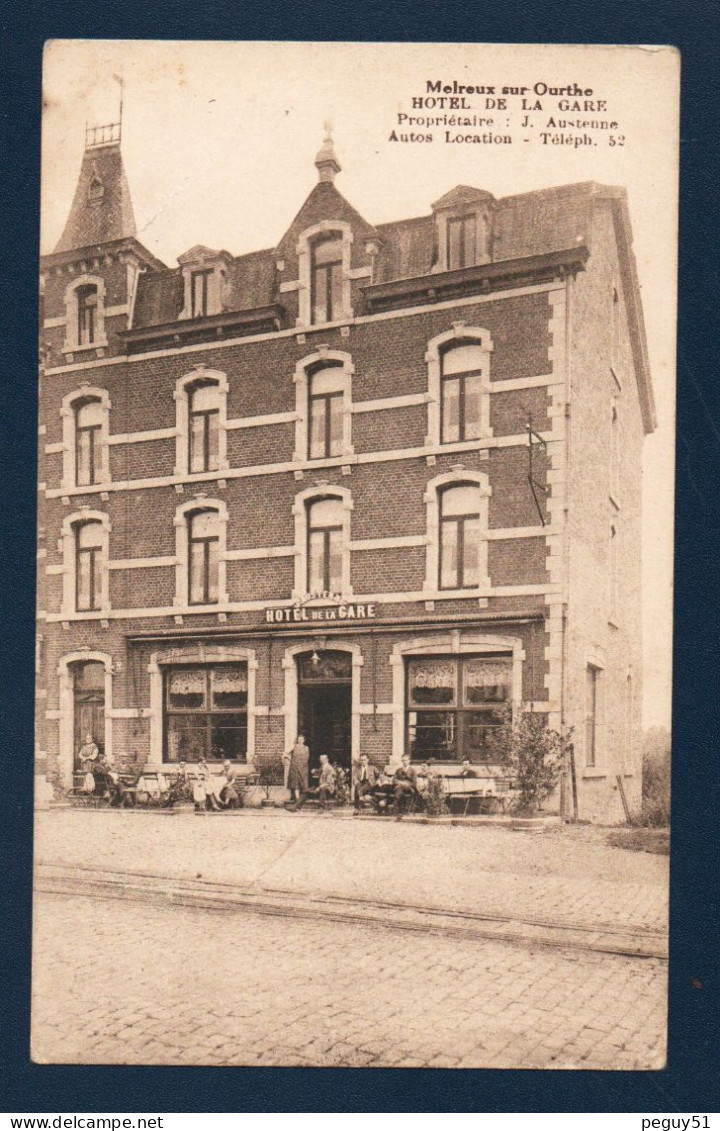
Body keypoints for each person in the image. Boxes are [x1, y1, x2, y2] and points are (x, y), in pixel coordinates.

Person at [392, 753, 419, 819]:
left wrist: (406, 784)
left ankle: (397, 810)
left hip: (409, 788)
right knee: (399, 790)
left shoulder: (413, 770)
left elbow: (414, 782)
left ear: (409, 761)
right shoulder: (399, 770)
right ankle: (399, 811)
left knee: (398, 790)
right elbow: (394, 780)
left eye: (406, 760)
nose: (404, 762)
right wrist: (400, 782)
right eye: (403, 760)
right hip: (400, 787)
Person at [287, 734, 310, 803]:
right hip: (295, 768)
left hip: (303, 768)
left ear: (304, 740)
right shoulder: (294, 747)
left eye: (301, 740)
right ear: (297, 740)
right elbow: (285, 753)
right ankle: (297, 798)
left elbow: (307, 757)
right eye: (299, 740)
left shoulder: (306, 748)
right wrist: (291, 759)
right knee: (296, 783)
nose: (300, 741)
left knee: (303, 782)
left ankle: (303, 798)